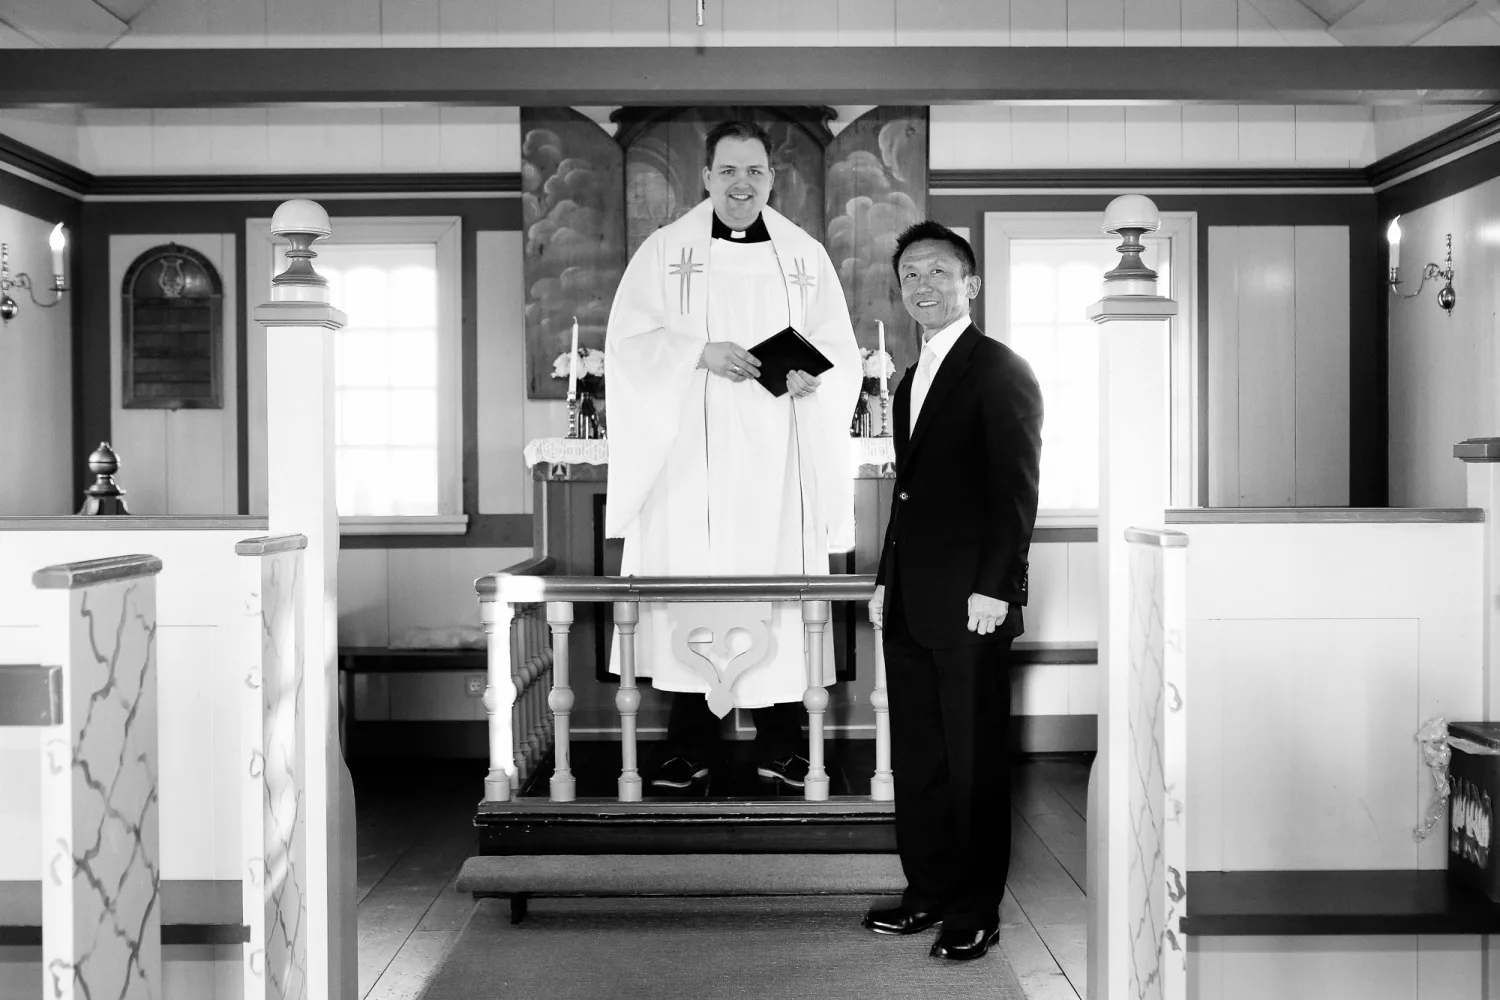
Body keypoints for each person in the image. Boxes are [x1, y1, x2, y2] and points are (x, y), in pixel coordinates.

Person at [604, 120, 862, 793]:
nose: (741, 184)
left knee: (777, 585)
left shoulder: (804, 256)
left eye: (754, 172)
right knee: (695, 585)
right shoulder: (665, 252)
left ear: (771, 179)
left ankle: (783, 744)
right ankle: (687, 745)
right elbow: (628, 345)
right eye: (728, 171)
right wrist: (698, 352)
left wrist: (814, 379)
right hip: (691, 457)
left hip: (778, 457)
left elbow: (837, 349)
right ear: (706, 177)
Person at [862, 221, 1043, 961]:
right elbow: (907, 498)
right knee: (922, 759)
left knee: (973, 762)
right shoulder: (908, 380)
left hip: (972, 604)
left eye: (939, 271)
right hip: (910, 602)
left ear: (969, 283)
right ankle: (928, 892)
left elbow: (1015, 490)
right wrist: (884, 582)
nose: (923, 285)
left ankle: (976, 908)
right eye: (911, 274)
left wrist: (996, 588)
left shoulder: (1000, 369)